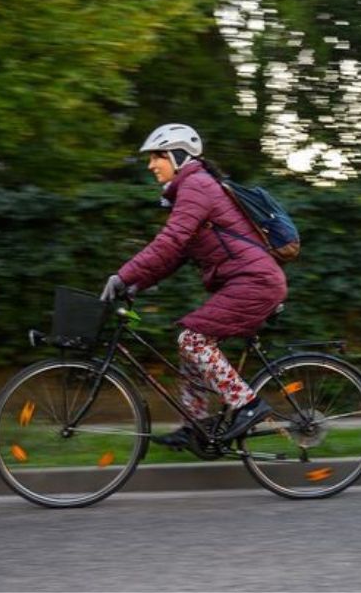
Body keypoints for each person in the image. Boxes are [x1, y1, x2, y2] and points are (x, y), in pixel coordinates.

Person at [100, 123, 287, 444]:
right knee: (190, 345)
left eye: (157, 156)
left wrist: (124, 274)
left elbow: (171, 240)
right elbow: (175, 255)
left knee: (193, 340)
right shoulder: (192, 189)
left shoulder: (196, 185)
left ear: (177, 155)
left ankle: (248, 404)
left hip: (255, 282)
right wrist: (135, 284)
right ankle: (196, 427)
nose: (150, 165)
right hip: (246, 281)